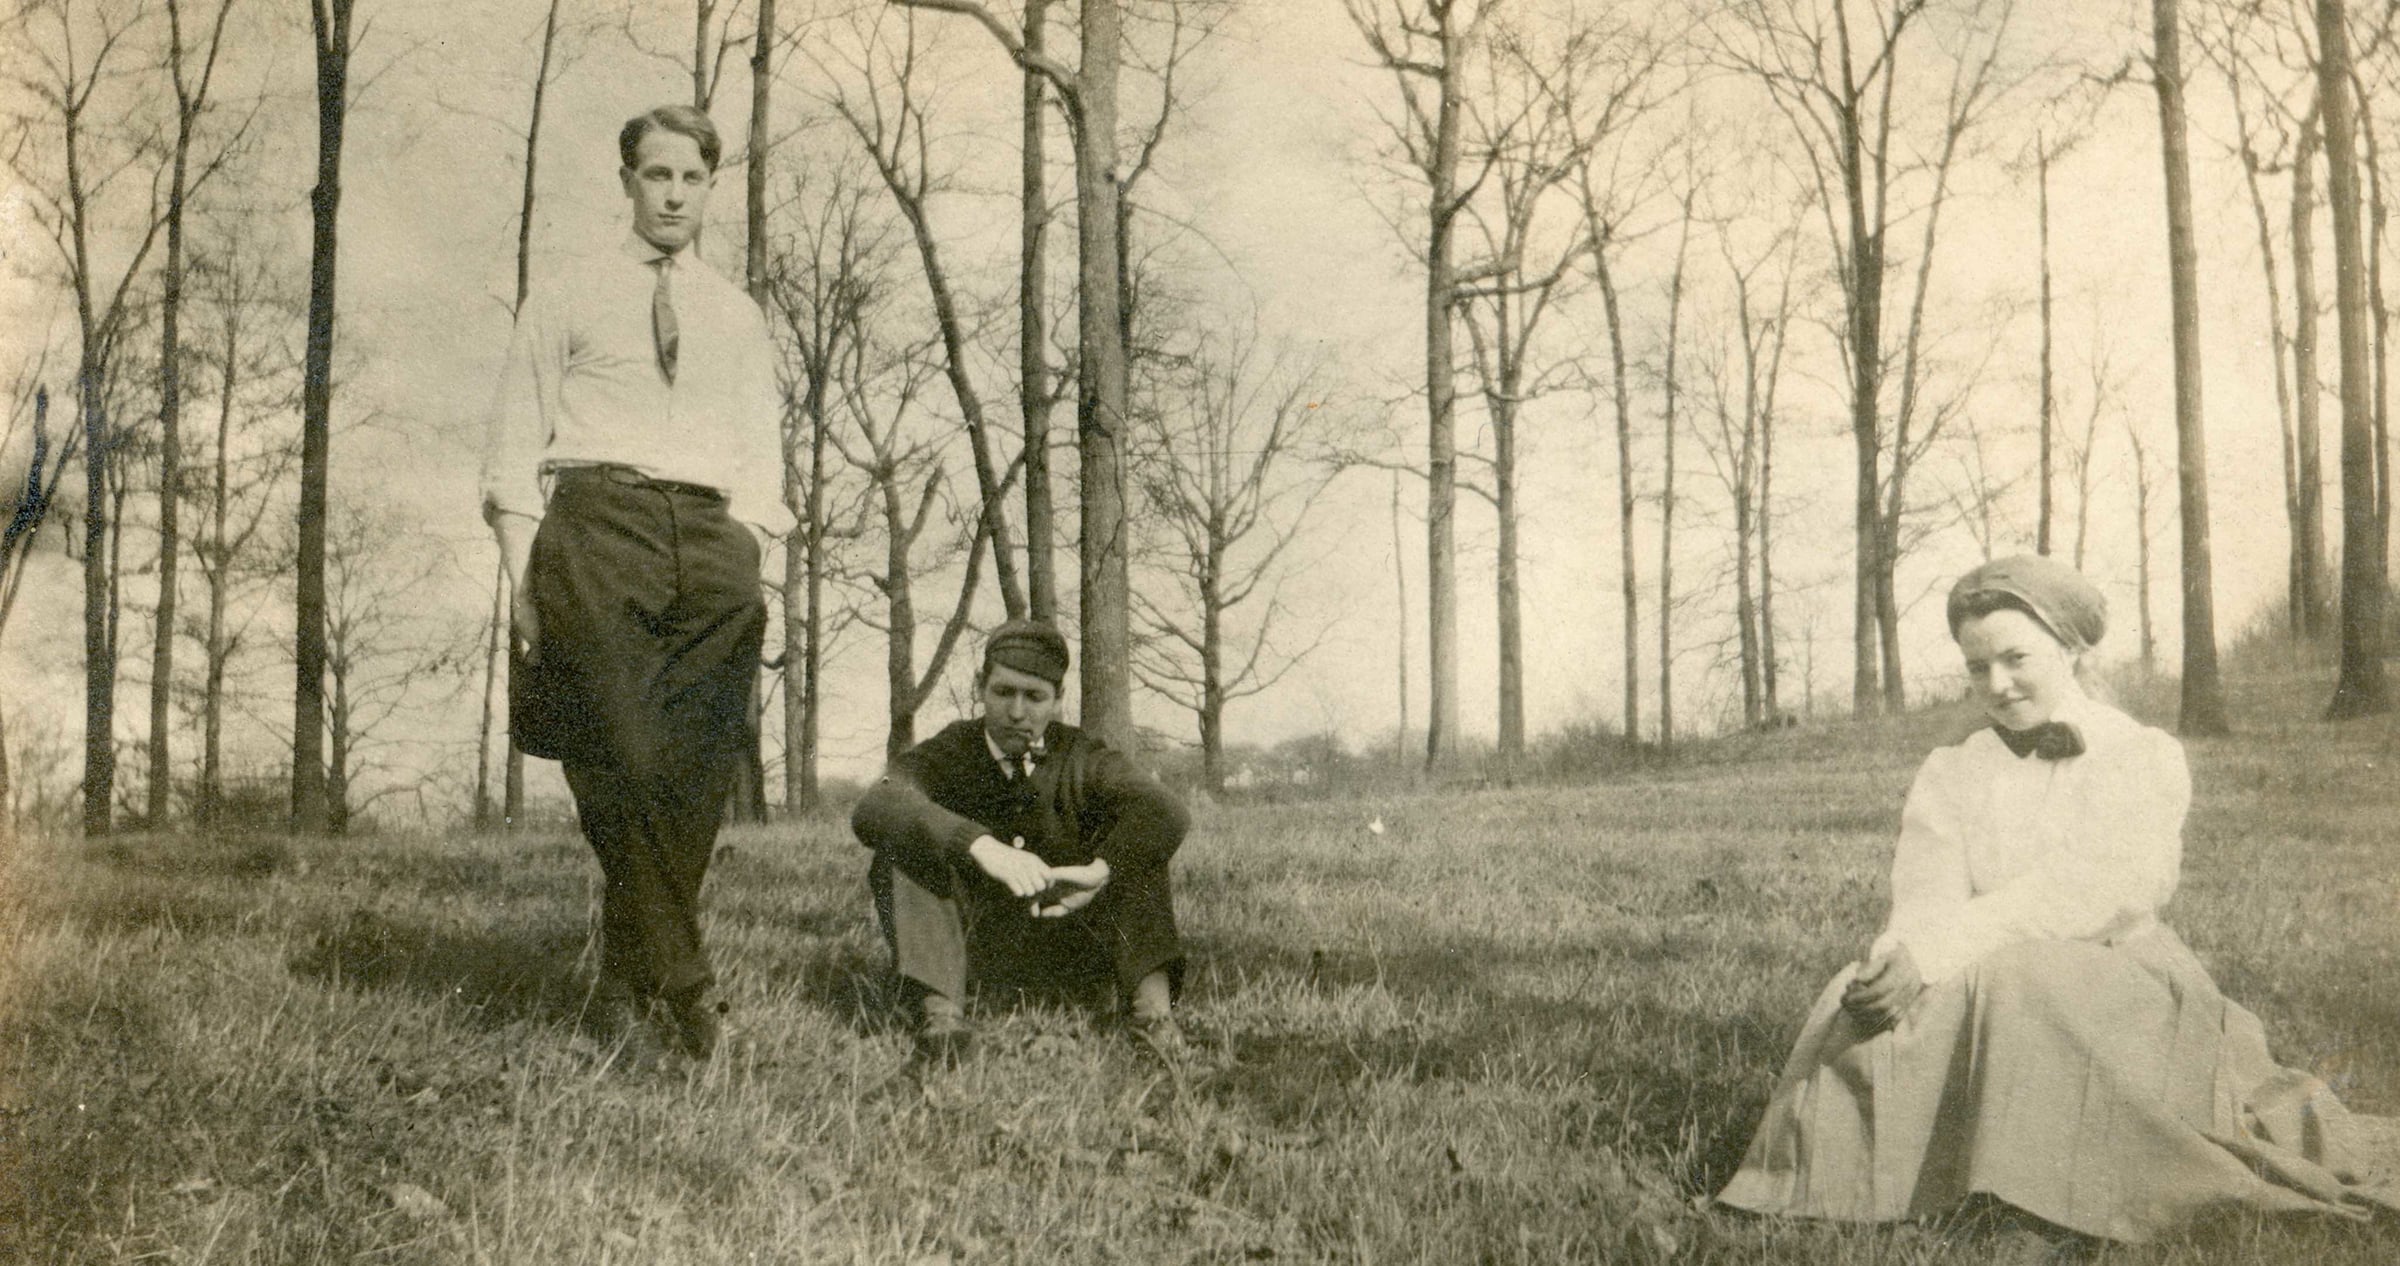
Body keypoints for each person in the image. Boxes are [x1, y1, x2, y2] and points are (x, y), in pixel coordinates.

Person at [1716, 554, 2400, 1244]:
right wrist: (1901, 956)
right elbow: (1926, 892)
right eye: (1977, 668)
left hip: (2120, 977)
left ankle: (2048, 1197)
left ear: (2070, 649)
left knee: (2021, 977)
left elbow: (2097, 889)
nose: (1998, 684)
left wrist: (1942, 951)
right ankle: (1832, 1191)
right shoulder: (1953, 769)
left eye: (2016, 659)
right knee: (1861, 997)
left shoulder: (2137, 754)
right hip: (1988, 969)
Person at [480, 104, 792, 1066]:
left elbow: (764, 454)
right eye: (657, 175)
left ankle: (626, 981)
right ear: (627, 181)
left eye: (692, 179)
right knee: (615, 746)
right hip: (598, 524)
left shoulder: (735, 315)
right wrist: (523, 575)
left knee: (696, 770)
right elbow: (512, 443)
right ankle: (688, 983)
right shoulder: (568, 292)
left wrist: (751, 553)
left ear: (710, 188)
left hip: (712, 537)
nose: (674, 196)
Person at [852, 621, 1190, 1064]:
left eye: (1034, 697)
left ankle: (1152, 1018)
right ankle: (942, 1020)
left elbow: (1165, 809)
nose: (1016, 711)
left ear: (1058, 700)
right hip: (973, 953)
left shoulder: (1081, 754)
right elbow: (877, 802)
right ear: (980, 687)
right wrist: (979, 845)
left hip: (1073, 947)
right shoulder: (952, 750)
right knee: (904, 843)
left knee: (1137, 846)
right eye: (1003, 692)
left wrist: (1098, 872)